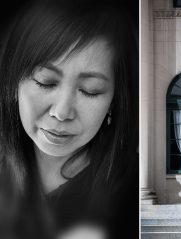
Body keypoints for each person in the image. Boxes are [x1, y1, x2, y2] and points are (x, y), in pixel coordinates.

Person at [0, 0, 138, 238]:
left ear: (114, 101)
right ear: (14, 83)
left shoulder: (135, 191)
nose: (62, 112)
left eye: (90, 90)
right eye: (45, 81)